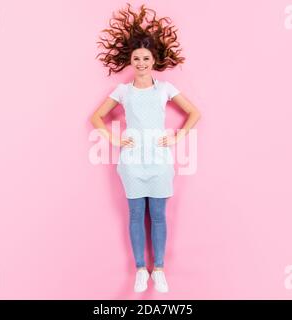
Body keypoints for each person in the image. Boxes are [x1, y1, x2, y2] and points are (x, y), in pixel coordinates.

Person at [91, 3, 201, 293]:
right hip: (132, 162)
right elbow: (96, 117)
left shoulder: (164, 88)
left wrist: (177, 137)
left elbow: (194, 113)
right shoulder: (123, 91)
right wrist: (114, 139)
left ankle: (160, 269)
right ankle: (141, 269)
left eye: (146, 58)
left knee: (159, 215)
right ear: (131, 60)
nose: (140, 63)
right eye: (136, 58)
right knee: (136, 214)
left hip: (160, 160)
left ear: (154, 61)